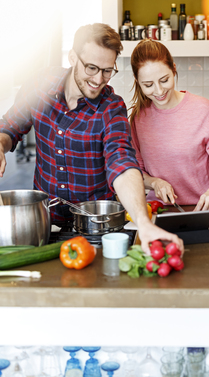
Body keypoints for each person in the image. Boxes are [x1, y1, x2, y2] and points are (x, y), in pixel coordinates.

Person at [0, 24, 183, 254]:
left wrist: (143, 223)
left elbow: (122, 162)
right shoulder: (40, 85)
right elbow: (10, 127)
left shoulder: (111, 107)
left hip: (98, 230)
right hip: (45, 225)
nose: (99, 79)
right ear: (73, 58)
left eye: (107, 70)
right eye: (92, 68)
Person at [129, 38, 209, 211]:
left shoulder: (203, 109)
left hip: (203, 210)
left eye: (164, 80)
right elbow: (136, 170)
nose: (159, 91)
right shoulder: (138, 117)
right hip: (158, 210)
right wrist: (154, 182)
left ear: (174, 69)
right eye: (148, 85)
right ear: (138, 81)